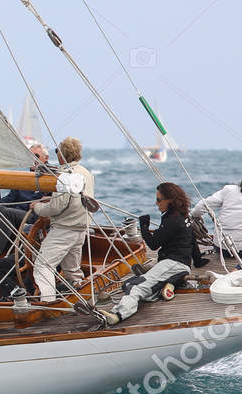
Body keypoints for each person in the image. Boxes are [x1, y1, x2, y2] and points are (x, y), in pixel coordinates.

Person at [100, 182, 196, 324]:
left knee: (135, 287)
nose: (156, 203)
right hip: (179, 264)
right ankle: (172, 283)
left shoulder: (172, 220)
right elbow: (192, 240)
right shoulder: (182, 215)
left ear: (170, 200)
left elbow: (153, 244)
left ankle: (118, 314)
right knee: (128, 284)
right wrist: (198, 261)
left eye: (159, 200)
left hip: (173, 263)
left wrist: (144, 226)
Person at [29, 137, 95, 303]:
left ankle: (49, 302)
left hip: (64, 230)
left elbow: (56, 207)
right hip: (81, 228)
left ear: (61, 156)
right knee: (72, 270)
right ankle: (85, 296)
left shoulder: (65, 176)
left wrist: (37, 207)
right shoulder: (86, 173)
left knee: (43, 265)